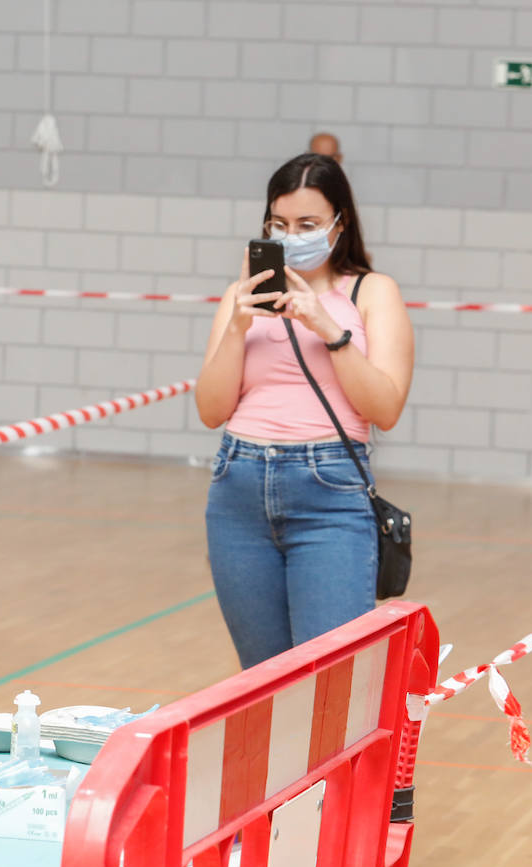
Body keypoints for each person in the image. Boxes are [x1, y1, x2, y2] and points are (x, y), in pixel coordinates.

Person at [194, 153, 413, 670]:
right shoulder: (240, 296)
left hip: (330, 491)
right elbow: (211, 409)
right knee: (263, 681)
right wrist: (236, 327)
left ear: (341, 223)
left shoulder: (371, 291)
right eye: (280, 224)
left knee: (327, 679)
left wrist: (327, 328)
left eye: (309, 224)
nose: (293, 236)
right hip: (239, 486)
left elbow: (385, 408)